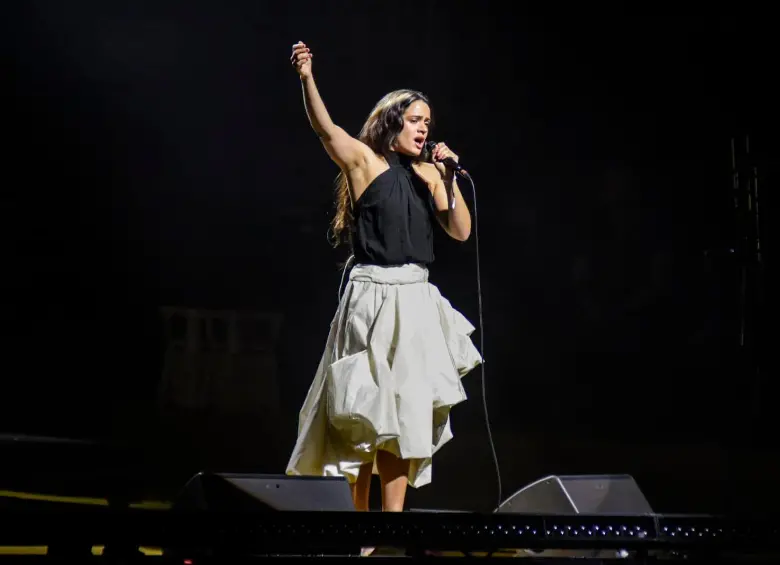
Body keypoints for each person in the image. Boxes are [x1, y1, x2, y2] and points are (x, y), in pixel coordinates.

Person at [285, 41, 483, 517]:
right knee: (365, 411)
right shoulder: (366, 163)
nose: (424, 129)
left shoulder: (432, 175)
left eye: (428, 123)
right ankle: (359, 526)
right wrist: (307, 77)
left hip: (415, 297)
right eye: (416, 120)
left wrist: (448, 177)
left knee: (404, 412)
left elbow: (459, 231)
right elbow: (325, 129)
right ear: (393, 121)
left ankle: (390, 524)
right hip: (372, 295)